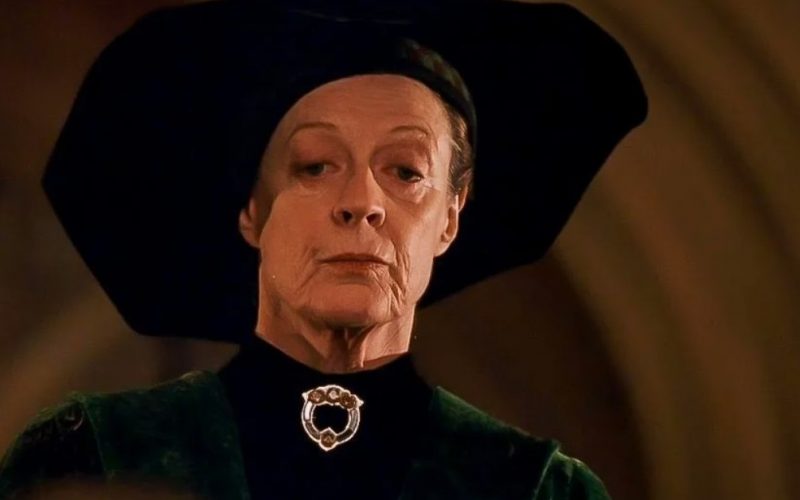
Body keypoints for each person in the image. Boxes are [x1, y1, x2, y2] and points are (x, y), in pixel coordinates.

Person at [0, 0, 647, 498]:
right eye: (315, 166)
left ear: (450, 219)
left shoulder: (537, 488)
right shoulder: (94, 455)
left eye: (405, 171)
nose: (361, 201)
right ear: (252, 211)